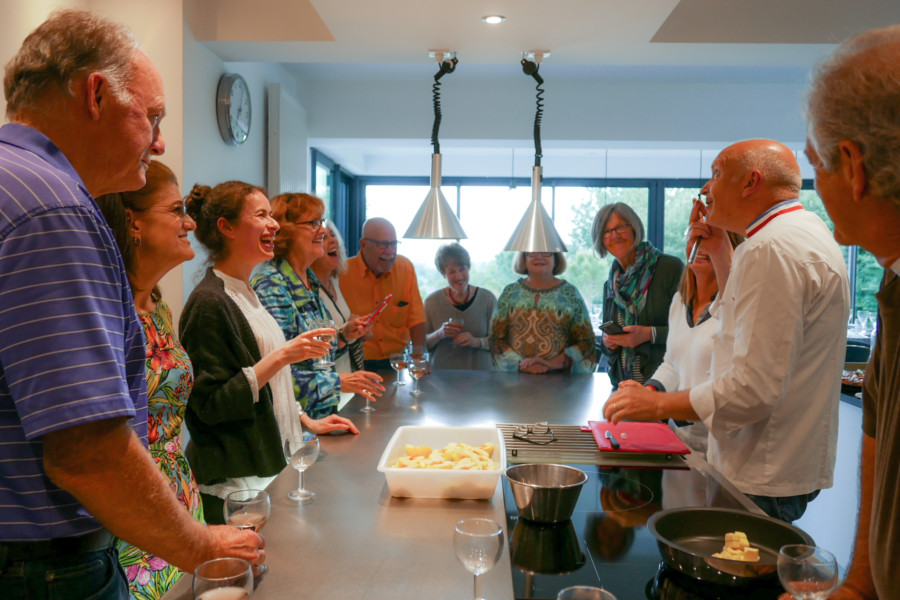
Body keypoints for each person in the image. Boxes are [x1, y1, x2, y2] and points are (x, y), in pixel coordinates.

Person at [0, 11, 261, 600]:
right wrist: (201, 544)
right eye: (154, 117)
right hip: (44, 568)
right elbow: (86, 451)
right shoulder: (54, 207)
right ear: (96, 93)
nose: (162, 141)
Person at [605, 139, 850, 523]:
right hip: (781, 461)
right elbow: (739, 323)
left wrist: (656, 405)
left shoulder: (769, 249)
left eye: (716, 174)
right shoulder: (802, 233)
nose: (706, 189)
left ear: (751, 182)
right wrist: (720, 248)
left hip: (759, 467)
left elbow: (752, 389)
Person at [180, 181, 359, 523]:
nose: (274, 224)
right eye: (262, 215)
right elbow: (209, 405)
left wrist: (307, 421)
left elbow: (271, 387)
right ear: (226, 227)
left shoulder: (245, 291)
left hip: (265, 466)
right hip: (234, 480)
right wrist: (283, 355)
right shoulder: (209, 302)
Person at [801, 24, 900, 599]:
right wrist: (860, 585)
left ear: (853, 167)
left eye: (817, 164)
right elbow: (878, 433)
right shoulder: (893, 284)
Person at [95, 161, 205, 598]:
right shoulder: (104, 308)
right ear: (132, 223)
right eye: (177, 209)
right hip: (130, 509)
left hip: (178, 497)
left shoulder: (158, 308)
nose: (189, 222)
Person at [250, 194, 384, 419]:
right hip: (291, 426)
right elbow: (277, 372)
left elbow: (315, 354)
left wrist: (343, 337)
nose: (322, 231)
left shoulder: (309, 279)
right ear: (287, 231)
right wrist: (339, 381)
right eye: (313, 223)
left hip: (322, 417)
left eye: (321, 223)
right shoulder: (271, 285)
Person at [645, 215, 744, 456]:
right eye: (694, 238)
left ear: (729, 246)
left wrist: (661, 406)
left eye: (708, 238)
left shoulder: (736, 306)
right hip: (679, 443)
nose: (699, 246)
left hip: (721, 447)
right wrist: (649, 392)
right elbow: (672, 364)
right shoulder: (680, 302)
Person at [593, 203, 684, 389]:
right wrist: (609, 343)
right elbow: (608, 350)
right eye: (607, 231)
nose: (614, 235)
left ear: (634, 227)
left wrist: (649, 334)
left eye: (620, 227)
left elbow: (692, 329)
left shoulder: (670, 268)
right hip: (624, 387)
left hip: (665, 388)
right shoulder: (610, 286)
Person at [340, 217, 426, 370]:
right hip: (356, 364)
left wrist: (418, 359)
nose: (391, 252)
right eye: (383, 245)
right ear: (363, 245)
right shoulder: (341, 273)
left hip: (398, 363)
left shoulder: (405, 268)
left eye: (394, 244)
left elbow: (417, 320)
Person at [490, 252, 596, 373]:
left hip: (560, 381)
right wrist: (522, 364)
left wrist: (550, 364)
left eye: (546, 253)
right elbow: (496, 339)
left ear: (555, 259)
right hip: (515, 382)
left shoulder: (570, 293)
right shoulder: (509, 292)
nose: (539, 257)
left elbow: (586, 342)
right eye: (533, 253)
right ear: (524, 258)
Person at [311, 219, 368, 408]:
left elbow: (338, 324)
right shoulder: (307, 289)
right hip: (322, 388)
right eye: (324, 238)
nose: (332, 241)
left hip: (344, 378)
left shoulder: (334, 281)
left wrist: (354, 326)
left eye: (333, 236)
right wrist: (344, 333)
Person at [424, 243, 497, 370]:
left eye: (462, 268)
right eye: (452, 272)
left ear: (468, 268)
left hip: (482, 378)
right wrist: (439, 334)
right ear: (443, 274)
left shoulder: (487, 298)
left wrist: (476, 342)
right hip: (442, 379)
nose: (459, 276)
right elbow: (421, 345)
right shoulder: (431, 302)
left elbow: (500, 343)